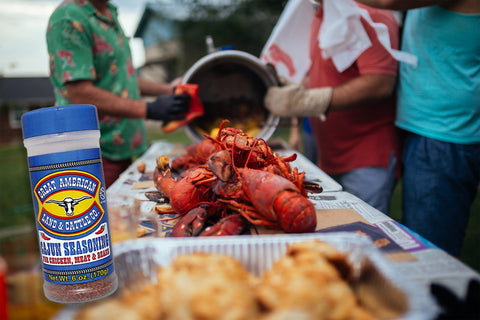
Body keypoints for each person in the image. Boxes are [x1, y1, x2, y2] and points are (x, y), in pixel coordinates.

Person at [351, 0, 480, 257]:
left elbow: (388, 1)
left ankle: (438, 295)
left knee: (429, 251)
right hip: (436, 129)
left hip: (441, 135)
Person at [265, 1, 402, 215]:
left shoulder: (372, 15)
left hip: (366, 158)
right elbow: (326, 73)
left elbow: (380, 83)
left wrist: (310, 101)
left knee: (367, 236)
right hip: (328, 155)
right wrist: (293, 89)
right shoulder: (322, 13)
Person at [46, 0, 191, 188]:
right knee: (102, 216)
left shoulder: (109, 12)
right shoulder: (68, 18)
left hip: (121, 147)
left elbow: (122, 77)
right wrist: (149, 109)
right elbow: (81, 94)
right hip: (92, 153)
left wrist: (167, 90)